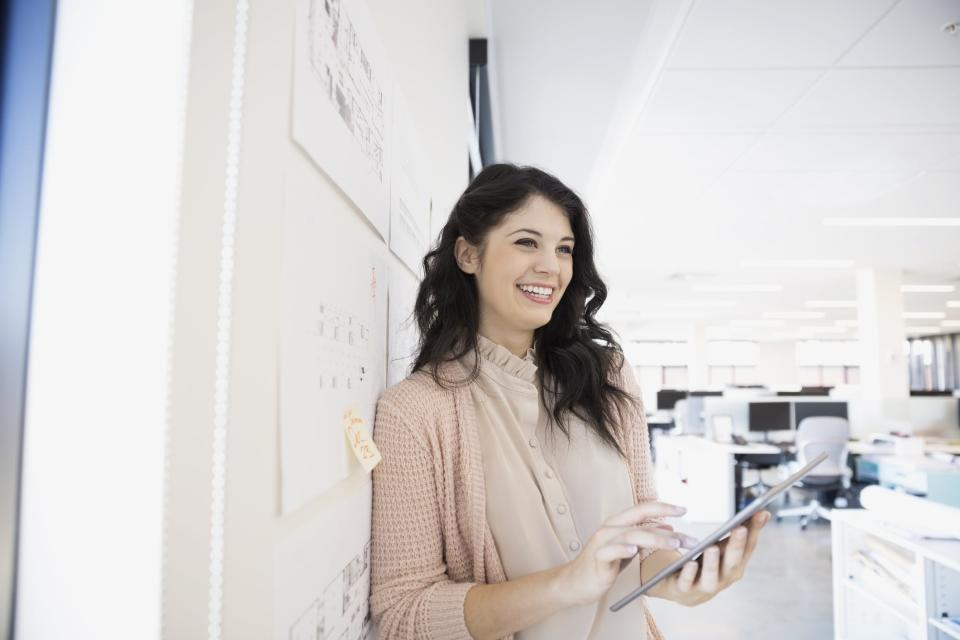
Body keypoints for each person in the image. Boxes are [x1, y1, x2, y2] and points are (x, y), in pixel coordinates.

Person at [369, 164, 769, 639]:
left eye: (564, 249)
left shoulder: (608, 376)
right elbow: (401, 615)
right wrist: (567, 584)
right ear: (468, 254)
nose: (551, 266)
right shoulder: (414, 413)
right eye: (526, 242)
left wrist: (682, 578)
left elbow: (642, 548)